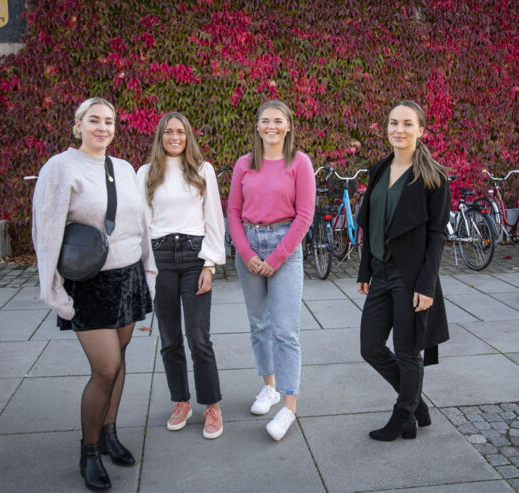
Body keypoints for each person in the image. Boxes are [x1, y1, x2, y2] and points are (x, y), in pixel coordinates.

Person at [32, 97, 156, 490]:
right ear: (78, 125)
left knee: (118, 363)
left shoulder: (122, 168)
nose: (103, 127)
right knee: (104, 369)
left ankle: (109, 433)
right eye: (94, 121)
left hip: (128, 277)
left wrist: (147, 274)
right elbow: (47, 230)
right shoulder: (60, 167)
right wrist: (53, 291)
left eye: (110, 121)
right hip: (90, 285)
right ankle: (88, 451)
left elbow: (142, 225)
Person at [356, 100, 451, 441]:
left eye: (408, 124)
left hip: (410, 277)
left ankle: (402, 416)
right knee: (370, 347)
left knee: (408, 350)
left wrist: (426, 285)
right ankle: (415, 405)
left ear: (420, 131)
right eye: (394, 123)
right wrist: (365, 269)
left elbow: (438, 234)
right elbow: (370, 224)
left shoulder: (433, 177)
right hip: (380, 272)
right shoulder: (379, 170)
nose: (399, 129)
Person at [227, 100, 315, 441]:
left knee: (285, 330)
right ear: (257, 126)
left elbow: (304, 216)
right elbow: (233, 212)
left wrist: (275, 258)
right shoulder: (244, 164)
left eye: (278, 121)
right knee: (259, 324)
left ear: (289, 126)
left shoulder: (300, 163)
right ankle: (269, 387)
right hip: (249, 246)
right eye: (265, 120)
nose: (271, 126)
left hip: (285, 248)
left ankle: (288, 407)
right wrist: (246, 252)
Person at [136, 112, 226, 439]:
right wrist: (146, 271)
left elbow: (214, 219)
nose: (175, 137)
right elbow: (142, 226)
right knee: (170, 339)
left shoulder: (203, 171)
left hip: (193, 257)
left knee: (199, 338)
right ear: (160, 136)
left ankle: (212, 406)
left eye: (181, 132)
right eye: (169, 132)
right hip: (160, 259)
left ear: (188, 136)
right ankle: (181, 401)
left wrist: (210, 264)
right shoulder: (146, 174)